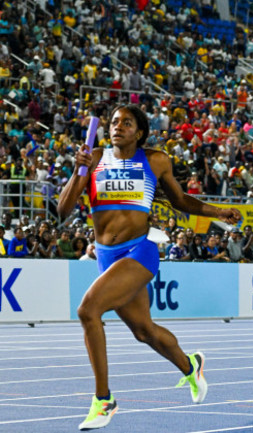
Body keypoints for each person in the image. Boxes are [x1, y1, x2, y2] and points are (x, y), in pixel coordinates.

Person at [57, 104, 241, 430]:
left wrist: (218, 211)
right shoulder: (95, 159)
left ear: (139, 132)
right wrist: (77, 171)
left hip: (140, 250)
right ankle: (190, 365)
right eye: (114, 122)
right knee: (144, 332)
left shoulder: (155, 161)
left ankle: (104, 399)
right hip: (106, 255)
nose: (118, 126)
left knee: (88, 310)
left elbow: (181, 201)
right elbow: (62, 210)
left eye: (126, 123)